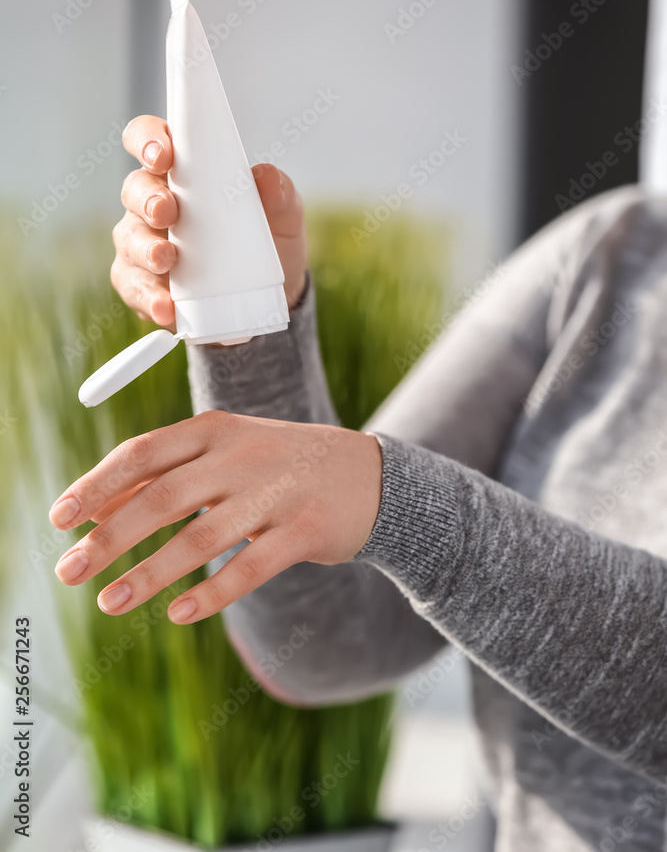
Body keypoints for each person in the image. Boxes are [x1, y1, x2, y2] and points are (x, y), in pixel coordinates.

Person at [49, 115, 667, 851]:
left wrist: (402, 504)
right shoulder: (613, 254)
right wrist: (245, 333)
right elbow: (331, 639)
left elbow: (387, 501)